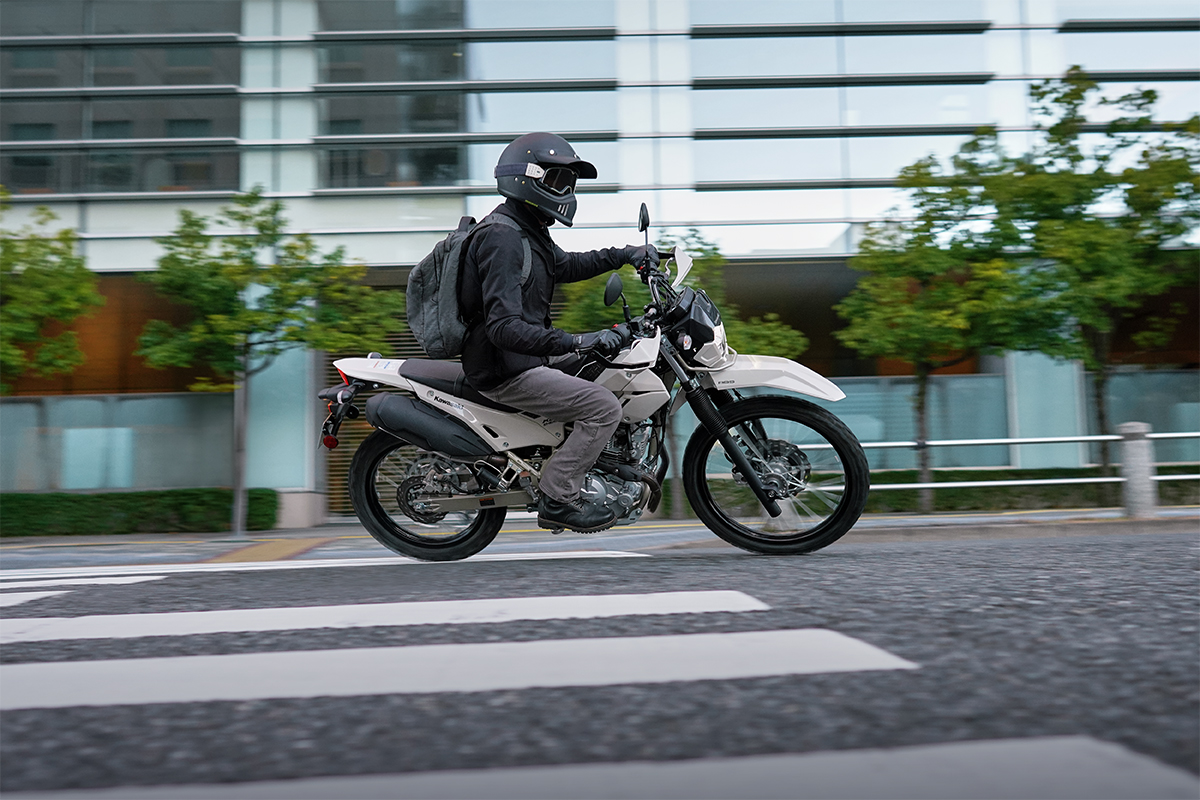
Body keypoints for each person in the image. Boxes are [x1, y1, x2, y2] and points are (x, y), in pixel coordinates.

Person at [459, 132, 655, 533]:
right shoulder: (502, 237)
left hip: (524, 357)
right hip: (506, 368)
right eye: (558, 180)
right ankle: (558, 496)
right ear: (525, 177)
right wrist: (578, 340)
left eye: (569, 182)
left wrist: (626, 254)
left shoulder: (526, 229)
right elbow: (504, 328)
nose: (566, 191)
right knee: (603, 408)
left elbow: (566, 266)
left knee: (604, 367)